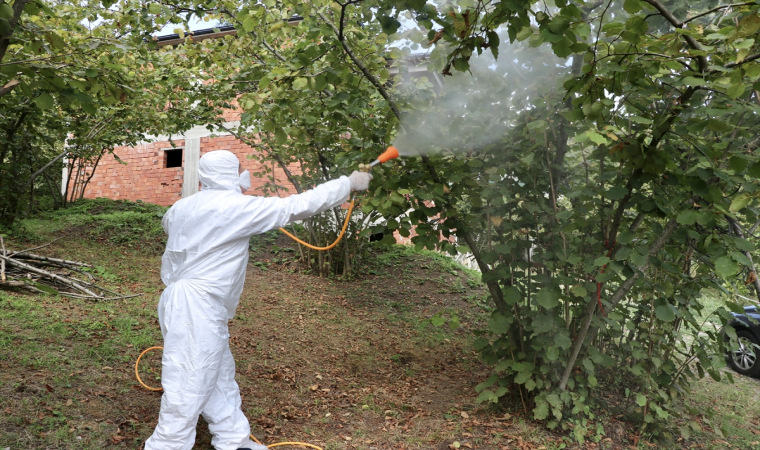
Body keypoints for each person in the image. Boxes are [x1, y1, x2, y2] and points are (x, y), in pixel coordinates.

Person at [145, 150, 372, 450]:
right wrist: (348, 184)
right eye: (240, 167)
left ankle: (233, 440)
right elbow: (297, 206)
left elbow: (173, 228)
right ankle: (167, 445)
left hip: (181, 300)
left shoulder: (181, 207)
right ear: (229, 172)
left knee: (218, 373)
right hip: (197, 305)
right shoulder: (234, 208)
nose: (245, 172)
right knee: (188, 381)